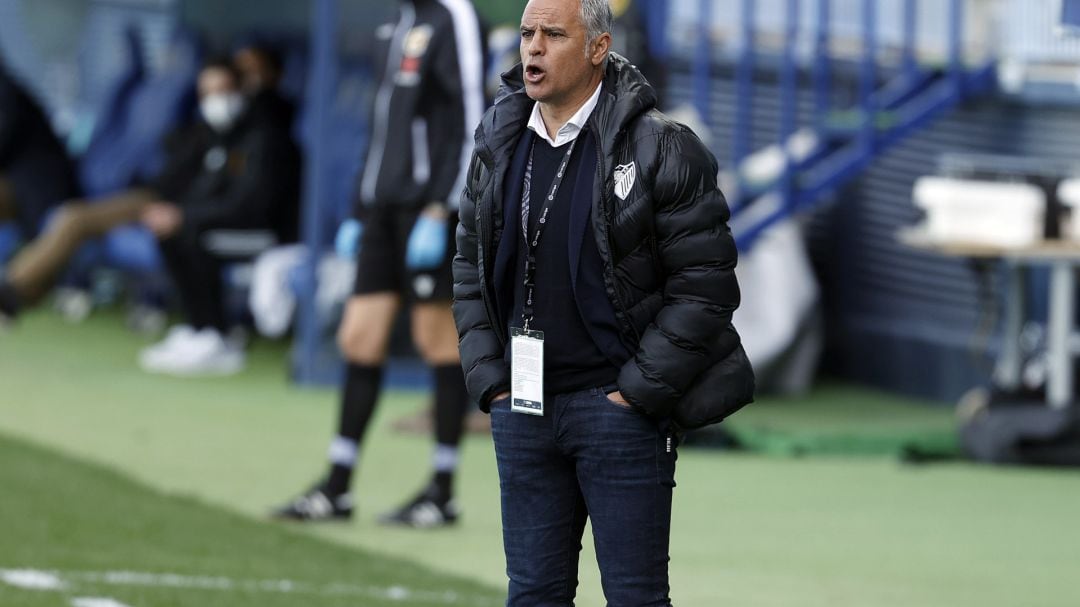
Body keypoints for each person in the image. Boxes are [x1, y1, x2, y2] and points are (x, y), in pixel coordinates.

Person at [453, 0, 750, 603]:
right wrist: (493, 382)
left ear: (598, 48)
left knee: (635, 597)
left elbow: (707, 287)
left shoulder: (662, 148)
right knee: (533, 594)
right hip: (525, 409)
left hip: (618, 413)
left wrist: (636, 393)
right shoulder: (497, 139)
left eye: (553, 35)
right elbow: (468, 266)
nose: (533, 48)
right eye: (527, 34)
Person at [272, 0, 486, 526]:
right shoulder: (398, 21)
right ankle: (338, 488)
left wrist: (444, 206)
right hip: (380, 211)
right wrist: (358, 206)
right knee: (358, 338)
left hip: (428, 207)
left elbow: (469, 115)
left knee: (438, 342)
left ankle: (442, 490)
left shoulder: (451, 16)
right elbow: (383, 124)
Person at [138, 57, 301, 375]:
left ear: (243, 90)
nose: (215, 101)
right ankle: (198, 328)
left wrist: (186, 216)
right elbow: (205, 191)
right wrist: (176, 213)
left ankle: (218, 336)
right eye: (206, 94)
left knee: (192, 235)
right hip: (230, 226)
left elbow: (250, 205)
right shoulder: (218, 136)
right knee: (172, 231)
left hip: (270, 235)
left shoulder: (266, 137)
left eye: (223, 90)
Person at [0, 60, 79, 321]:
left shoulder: (6, 90)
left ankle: (14, 291)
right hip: (17, 181)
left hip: (43, 185)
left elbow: (5, 137)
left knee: (63, 225)